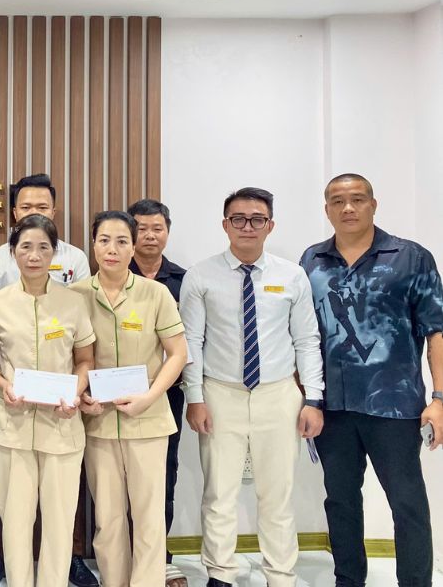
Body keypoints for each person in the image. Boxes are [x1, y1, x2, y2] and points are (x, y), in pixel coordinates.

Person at [301, 173, 443, 587]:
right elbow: (301, 333)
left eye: (357, 199)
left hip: (394, 406)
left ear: (373, 205)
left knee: (407, 503)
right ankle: (348, 580)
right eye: (337, 201)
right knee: (341, 502)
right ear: (327, 209)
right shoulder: (312, 261)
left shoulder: (410, 257)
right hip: (332, 407)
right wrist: (305, 396)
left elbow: (436, 330)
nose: (348, 208)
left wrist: (439, 398)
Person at [180, 187, 324, 587]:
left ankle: (280, 575)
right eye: (238, 219)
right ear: (225, 225)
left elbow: (306, 340)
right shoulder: (201, 276)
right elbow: (191, 342)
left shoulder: (291, 276)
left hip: (278, 394)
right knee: (219, 493)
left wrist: (313, 398)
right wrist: (195, 397)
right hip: (220, 393)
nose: (247, 226)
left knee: (277, 495)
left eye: (257, 219)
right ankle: (221, 573)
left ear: (270, 225)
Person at [0, 173, 94, 587]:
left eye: (43, 247)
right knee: (15, 521)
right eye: (25, 247)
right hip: (10, 424)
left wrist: (75, 392)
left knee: (60, 523)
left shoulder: (73, 302)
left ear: (55, 252)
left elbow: (85, 359)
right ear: (13, 252)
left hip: (62, 423)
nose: (34, 255)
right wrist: (2, 384)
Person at [70, 210, 187, 587]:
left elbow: (178, 353)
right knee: (108, 521)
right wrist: (81, 396)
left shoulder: (156, 293)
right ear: (93, 245)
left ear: (133, 247)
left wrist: (150, 396)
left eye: (122, 241)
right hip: (99, 422)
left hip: (148, 421)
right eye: (104, 240)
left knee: (149, 518)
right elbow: (73, 359)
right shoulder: (75, 296)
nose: (112, 249)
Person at [127, 198, 188, 587]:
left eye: (157, 228)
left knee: (163, 473)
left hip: (168, 393)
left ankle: (159, 558)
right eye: (141, 228)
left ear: (167, 231)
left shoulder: (183, 281)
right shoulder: (112, 273)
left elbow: (190, 342)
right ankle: (124, 556)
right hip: (115, 392)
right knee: (117, 477)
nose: (149, 235)